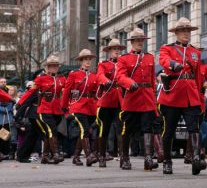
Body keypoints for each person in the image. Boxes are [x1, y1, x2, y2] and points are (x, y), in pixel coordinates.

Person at [158, 17, 206, 175]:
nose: (186, 33)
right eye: (183, 30)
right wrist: (173, 64)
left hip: (190, 95)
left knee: (194, 129)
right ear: (176, 33)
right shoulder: (167, 48)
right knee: (169, 130)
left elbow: (199, 77)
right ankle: (167, 161)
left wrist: (200, 97)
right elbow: (163, 60)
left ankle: (196, 158)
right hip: (172, 95)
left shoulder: (195, 52)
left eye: (188, 30)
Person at [116, 28, 159, 171]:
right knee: (127, 129)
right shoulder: (124, 59)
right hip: (132, 97)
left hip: (147, 97)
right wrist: (129, 83)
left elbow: (153, 81)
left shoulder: (149, 57)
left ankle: (148, 158)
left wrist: (154, 99)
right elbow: (120, 77)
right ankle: (125, 158)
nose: (140, 42)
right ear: (132, 42)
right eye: (137, 40)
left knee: (148, 128)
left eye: (142, 40)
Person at [20, 56, 66, 164]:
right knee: (52, 130)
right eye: (52, 65)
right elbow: (30, 93)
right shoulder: (41, 79)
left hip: (57, 110)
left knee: (48, 133)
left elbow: (66, 93)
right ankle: (55, 154)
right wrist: (20, 103)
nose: (54, 67)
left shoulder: (62, 79)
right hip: (44, 109)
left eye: (56, 65)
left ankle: (45, 156)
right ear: (48, 67)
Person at [61, 49, 99, 167]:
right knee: (85, 129)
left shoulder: (94, 75)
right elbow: (67, 91)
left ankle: (76, 157)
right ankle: (89, 156)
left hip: (91, 107)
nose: (88, 61)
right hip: (78, 105)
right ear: (81, 61)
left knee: (83, 132)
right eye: (85, 59)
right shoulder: (74, 74)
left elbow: (96, 92)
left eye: (89, 59)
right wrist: (64, 106)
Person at [183, 61, 207, 165]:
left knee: (199, 130)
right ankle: (190, 154)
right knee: (194, 130)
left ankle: (195, 152)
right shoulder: (188, 65)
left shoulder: (204, 66)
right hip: (191, 98)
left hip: (200, 101)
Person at [96, 38, 126, 168]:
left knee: (121, 128)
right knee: (105, 128)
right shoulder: (103, 64)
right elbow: (99, 75)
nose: (117, 51)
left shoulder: (123, 64)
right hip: (107, 99)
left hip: (120, 100)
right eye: (114, 49)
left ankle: (123, 156)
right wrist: (105, 81)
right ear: (109, 51)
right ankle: (102, 156)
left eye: (118, 49)